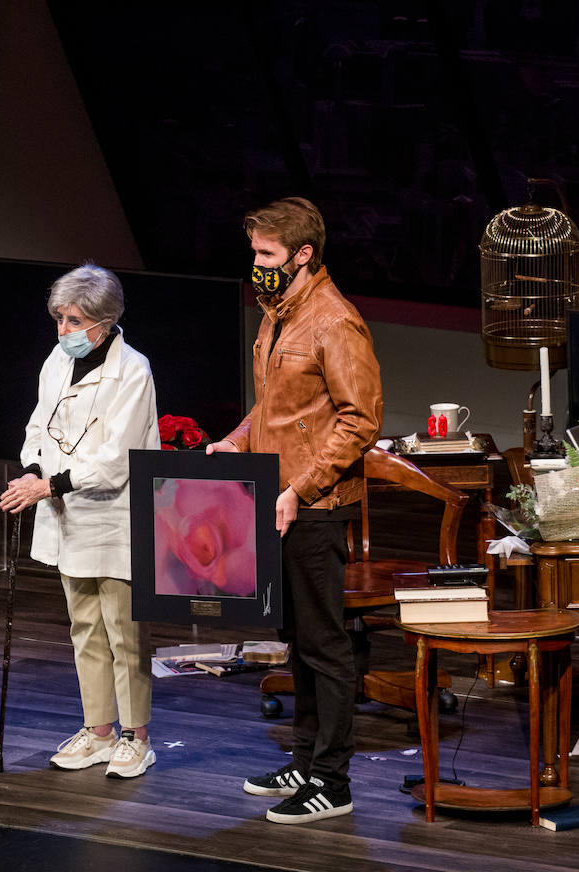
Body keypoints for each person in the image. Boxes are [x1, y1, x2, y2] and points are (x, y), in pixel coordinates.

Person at [207, 197, 382, 824]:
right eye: (254, 253)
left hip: (313, 504)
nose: (256, 265)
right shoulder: (279, 314)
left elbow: (359, 419)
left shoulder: (335, 323)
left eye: (267, 255)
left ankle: (332, 782)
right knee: (295, 641)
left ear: (303, 254)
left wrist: (300, 488)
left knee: (325, 645)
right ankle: (304, 758)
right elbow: (279, 406)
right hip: (275, 499)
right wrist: (237, 439)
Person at [0, 264, 160, 779]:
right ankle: (98, 731)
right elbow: (37, 426)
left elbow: (116, 461)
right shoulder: (55, 361)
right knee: (84, 626)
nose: (64, 330)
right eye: (60, 319)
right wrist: (29, 472)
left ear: (105, 321)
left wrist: (49, 485)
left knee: (124, 630)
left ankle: (137, 736)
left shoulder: (132, 370)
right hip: (67, 515)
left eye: (74, 320)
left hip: (114, 517)